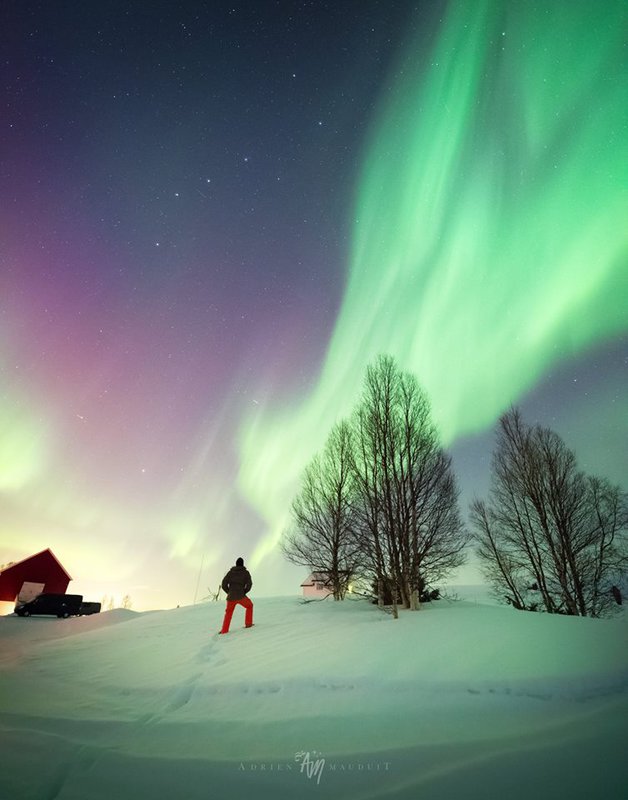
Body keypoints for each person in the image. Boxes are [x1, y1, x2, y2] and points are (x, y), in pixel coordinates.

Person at [219, 557, 253, 633]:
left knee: (228, 613)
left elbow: (224, 584)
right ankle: (248, 624)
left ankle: (224, 630)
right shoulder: (246, 573)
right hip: (241, 596)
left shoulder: (230, 572)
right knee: (249, 606)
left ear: (236, 564)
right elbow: (249, 584)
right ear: (243, 564)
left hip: (231, 597)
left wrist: (229, 592)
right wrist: (244, 592)